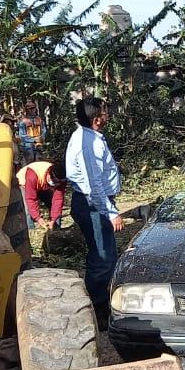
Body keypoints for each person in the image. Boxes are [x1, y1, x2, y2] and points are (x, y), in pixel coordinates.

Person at [66, 97, 122, 326]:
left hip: (94, 203)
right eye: (105, 113)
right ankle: (97, 313)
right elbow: (93, 184)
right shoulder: (87, 144)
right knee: (102, 259)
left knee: (105, 255)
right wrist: (111, 212)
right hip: (93, 205)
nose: (108, 116)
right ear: (97, 119)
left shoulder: (88, 137)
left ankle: (104, 304)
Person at [16, 160, 66, 230]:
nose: (56, 185)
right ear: (49, 174)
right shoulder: (32, 176)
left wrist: (53, 220)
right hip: (26, 184)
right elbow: (31, 199)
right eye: (55, 181)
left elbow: (58, 199)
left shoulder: (61, 180)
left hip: (42, 184)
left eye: (58, 183)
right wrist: (38, 219)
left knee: (52, 203)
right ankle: (31, 231)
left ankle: (56, 228)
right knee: (27, 210)